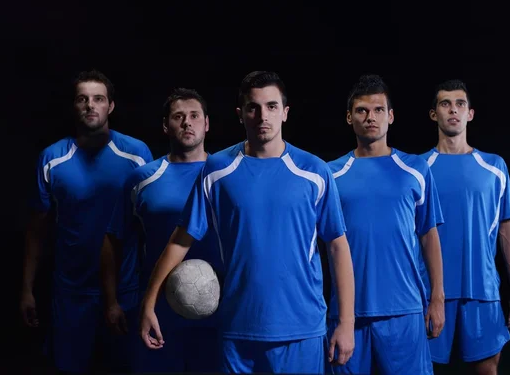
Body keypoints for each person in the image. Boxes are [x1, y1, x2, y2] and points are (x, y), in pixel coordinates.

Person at [139, 70, 356, 374]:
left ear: (285, 113)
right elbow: (181, 239)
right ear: (241, 115)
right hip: (238, 328)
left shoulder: (313, 171)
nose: (262, 115)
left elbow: (337, 247)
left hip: (301, 328)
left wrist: (346, 323)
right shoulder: (217, 171)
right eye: (253, 107)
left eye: (271, 106)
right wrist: (149, 303)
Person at [20, 69, 153, 374]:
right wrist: (26, 288)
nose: (90, 105)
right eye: (83, 99)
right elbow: (36, 230)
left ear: (111, 106)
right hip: (71, 292)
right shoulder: (52, 158)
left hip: (127, 291)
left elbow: (152, 222)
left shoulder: (137, 154)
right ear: (74, 106)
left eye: (98, 99)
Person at [327, 74, 445, 375]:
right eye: (362, 110)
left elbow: (429, 235)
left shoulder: (415, 169)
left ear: (391, 117)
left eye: (379, 110)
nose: (371, 117)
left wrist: (437, 298)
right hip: (348, 314)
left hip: (404, 310)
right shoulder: (330, 175)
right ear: (349, 117)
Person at [101, 87, 223, 373]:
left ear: (207, 123)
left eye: (194, 116)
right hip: (157, 314)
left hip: (221, 314)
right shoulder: (142, 179)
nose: (187, 123)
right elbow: (113, 240)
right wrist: (111, 302)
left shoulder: (227, 176)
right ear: (166, 126)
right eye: (178, 117)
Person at [419, 79, 510, 374]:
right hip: (429, 293)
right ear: (434, 114)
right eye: (445, 104)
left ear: (470, 113)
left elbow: (507, 230)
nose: (453, 110)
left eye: (460, 104)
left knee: (487, 370)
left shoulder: (494, 167)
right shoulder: (416, 169)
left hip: (482, 289)